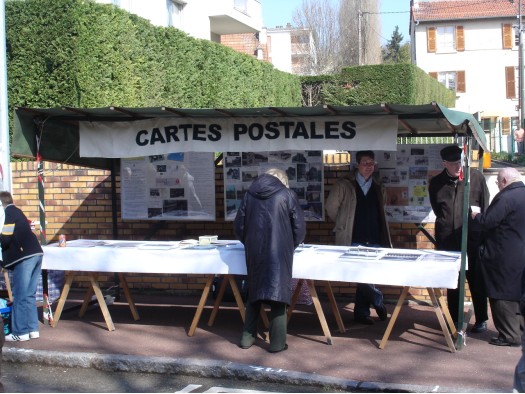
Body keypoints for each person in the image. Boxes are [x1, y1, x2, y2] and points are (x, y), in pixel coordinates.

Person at [234, 168, 306, 353]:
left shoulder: (249, 195)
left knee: (254, 294)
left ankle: (247, 338)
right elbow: (299, 229)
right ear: (282, 180)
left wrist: (249, 243)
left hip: (254, 251)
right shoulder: (288, 195)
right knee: (278, 295)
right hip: (279, 253)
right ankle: (277, 343)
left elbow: (239, 226)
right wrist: (289, 245)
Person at [428, 145, 490, 333]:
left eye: (460, 162)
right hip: (448, 240)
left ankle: (481, 318)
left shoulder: (476, 178)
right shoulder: (437, 182)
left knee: (476, 280)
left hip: (472, 239)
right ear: (444, 163)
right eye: (453, 164)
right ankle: (453, 318)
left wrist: (481, 235)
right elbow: (438, 210)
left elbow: (485, 206)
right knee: (452, 281)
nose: (458, 167)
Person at [325, 150, 391, 325]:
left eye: (371, 163)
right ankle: (377, 300)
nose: (369, 167)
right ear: (357, 164)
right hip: (353, 237)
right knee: (358, 274)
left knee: (369, 275)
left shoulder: (378, 185)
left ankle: (361, 313)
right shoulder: (344, 185)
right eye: (365, 163)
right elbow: (331, 208)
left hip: (375, 236)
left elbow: (382, 209)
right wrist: (343, 223)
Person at [471, 167, 525, 347]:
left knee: (501, 295)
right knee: (518, 294)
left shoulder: (505, 198)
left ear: (503, 181)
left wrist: (476, 216)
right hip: (520, 254)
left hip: (502, 254)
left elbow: (488, 221)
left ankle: (509, 335)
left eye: (497, 183)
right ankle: (519, 331)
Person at [0, 191, 44, 341]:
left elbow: (5, 239)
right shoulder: (18, 211)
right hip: (37, 254)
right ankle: (33, 329)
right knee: (29, 294)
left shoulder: (8, 214)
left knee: (19, 295)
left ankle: (20, 332)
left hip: (24, 257)